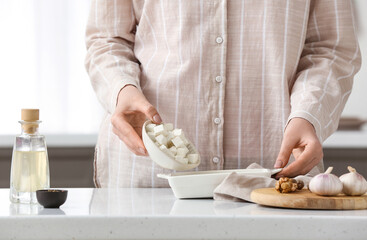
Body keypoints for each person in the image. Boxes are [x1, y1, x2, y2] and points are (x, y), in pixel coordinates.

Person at [85, 0, 361, 188]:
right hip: (148, 178)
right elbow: (107, 38)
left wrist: (309, 113)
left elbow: (331, 49)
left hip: (273, 181)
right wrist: (122, 90)